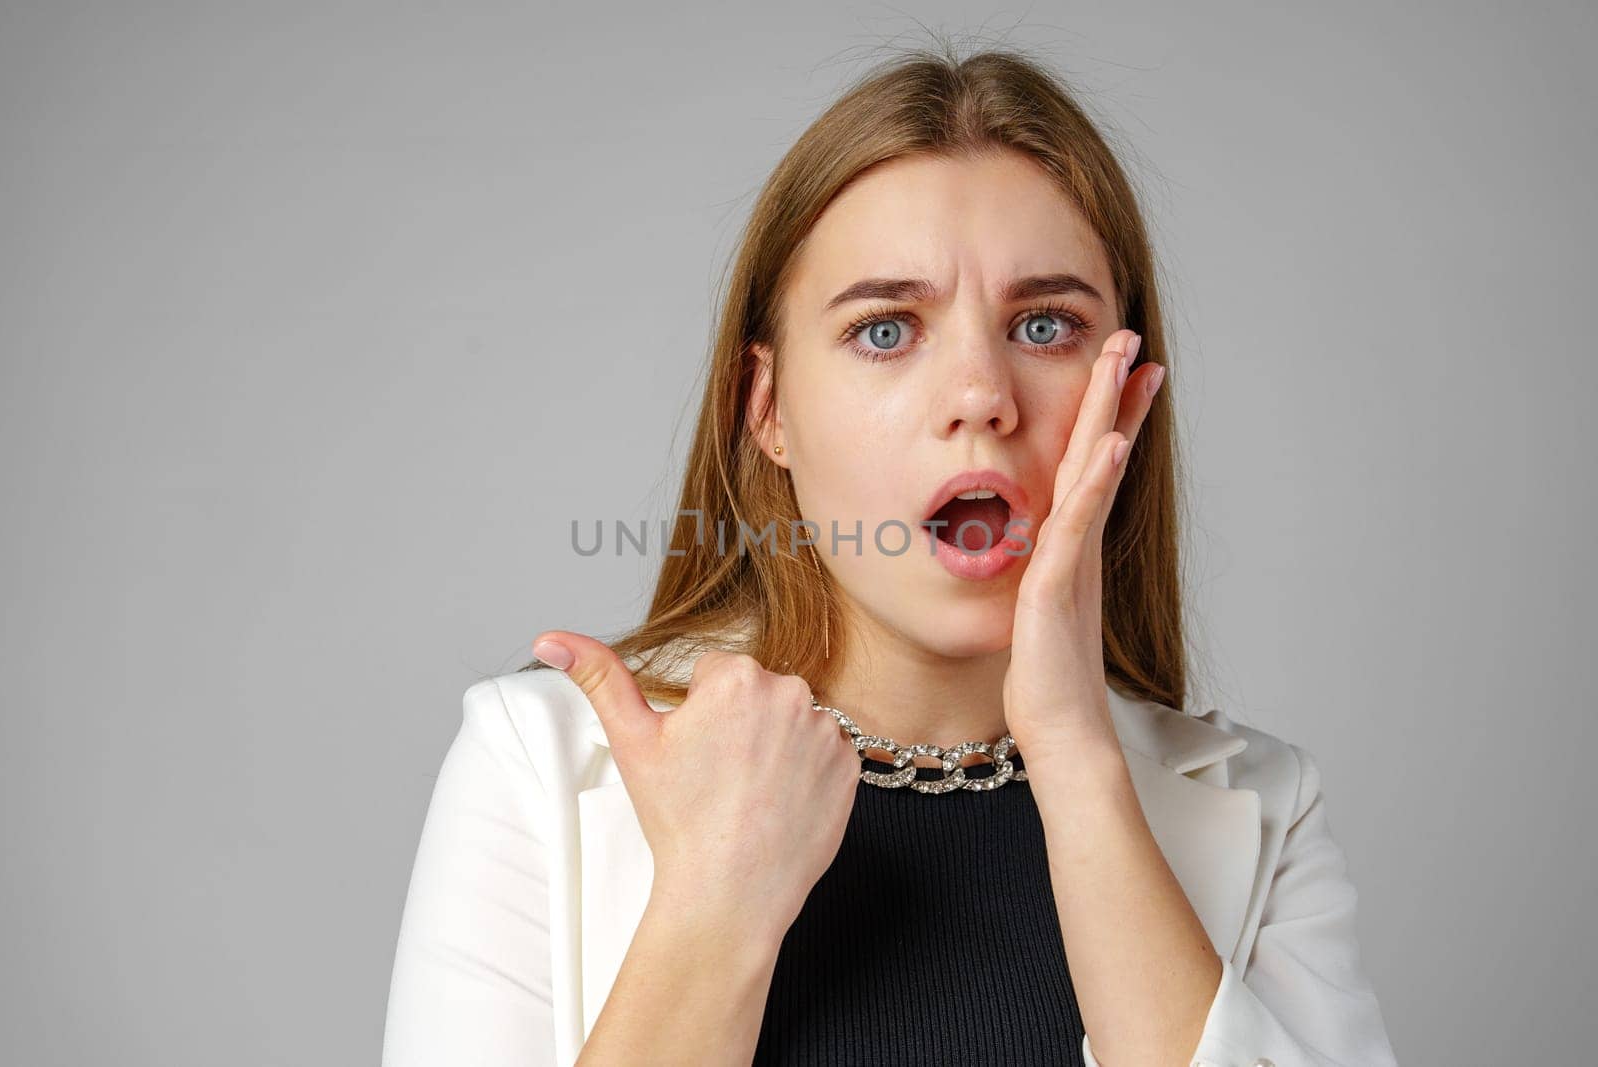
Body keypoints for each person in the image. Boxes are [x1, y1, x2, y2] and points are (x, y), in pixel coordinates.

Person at [382, 44, 1397, 1067]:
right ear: (767, 408)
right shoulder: (534, 762)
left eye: (1044, 325)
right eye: (885, 330)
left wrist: (1077, 757)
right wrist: (714, 902)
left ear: (1122, 394)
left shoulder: (1263, 808)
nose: (981, 395)